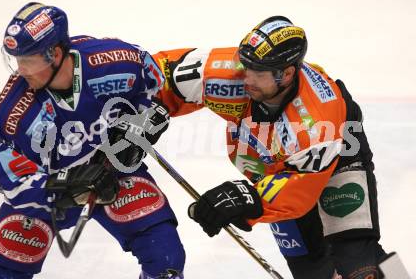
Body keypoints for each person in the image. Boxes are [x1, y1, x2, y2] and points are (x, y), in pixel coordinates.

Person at [152, 16, 409, 278]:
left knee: (357, 259)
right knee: (311, 270)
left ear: (286, 74)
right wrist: (139, 115)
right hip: (275, 160)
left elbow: (300, 191)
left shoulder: (319, 120)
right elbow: (159, 74)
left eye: (258, 73)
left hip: (338, 151)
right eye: (246, 65)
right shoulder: (229, 71)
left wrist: (249, 199)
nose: (246, 78)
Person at [0, 2, 185, 279]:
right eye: (16, 60)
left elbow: (151, 85)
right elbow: (15, 183)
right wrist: (71, 183)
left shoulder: (116, 61)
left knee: (165, 258)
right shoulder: (12, 117)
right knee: (2, 270)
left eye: (28, 60)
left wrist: (142, 125)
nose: (21, 70)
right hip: (51, 195)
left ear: (56, 54)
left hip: (114, 171)